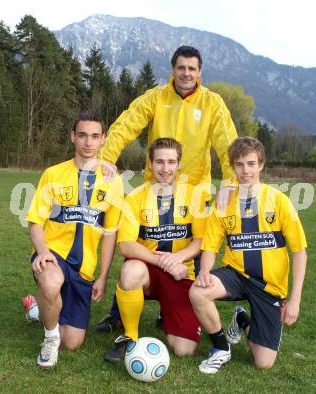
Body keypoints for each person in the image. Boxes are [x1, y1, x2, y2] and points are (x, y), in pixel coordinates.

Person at [95, 45, 238, 332]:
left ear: (200, 72)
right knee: (142, 247)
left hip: (194, 192)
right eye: (181, 67)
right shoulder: (156, 97)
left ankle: (176, 309)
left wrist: (231, 183)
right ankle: (119, 313)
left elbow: (227, 145)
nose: (186, 73)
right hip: (155, 189)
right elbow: (124, 126)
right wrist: (106, 161)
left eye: (192, 68)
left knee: (191, 251)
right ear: (173, 70)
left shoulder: (213, 103)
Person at [189, 136, 307, 374]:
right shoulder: (223, 203)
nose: (246, 170)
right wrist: (203, 272)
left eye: (251, 164)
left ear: (261, 165)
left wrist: (295, 300)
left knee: (264, 362)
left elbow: (299, 252)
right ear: (233, 167)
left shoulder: (279, 201)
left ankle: (242, 321)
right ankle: (221, 348)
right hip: (237, 274)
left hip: (269, 286)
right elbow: (210, 247)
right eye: (240, 164)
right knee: (198, 292)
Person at [26, 110, 123, 368]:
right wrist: (43, 251)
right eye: (82, 135)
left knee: (72, 343)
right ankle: (49, 337)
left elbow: (110, 234)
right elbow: (35, 222)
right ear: (72, 137)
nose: (88, 142)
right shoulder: (53, 174)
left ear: (103, 139)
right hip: (54, 253)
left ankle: (38, 309)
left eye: (94, 136)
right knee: (51, 281)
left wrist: (102, 276)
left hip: (84, 269)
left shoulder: (111, 180)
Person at [104, 138, 208, 362]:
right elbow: (126, 245)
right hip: (148, 271)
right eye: (159, 161)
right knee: (130, 271)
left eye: (171, 162)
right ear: (150, 163)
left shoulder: (194, 196)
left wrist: (176, 258)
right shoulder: (135, 198)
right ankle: (129, 335)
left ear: (179, 164)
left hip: (182, 273)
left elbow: (200, 242)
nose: (165, 168)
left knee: (184, 350)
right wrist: (162, 262)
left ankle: (171, 316)